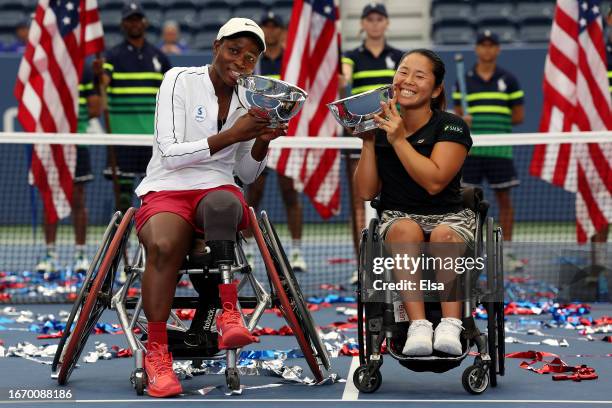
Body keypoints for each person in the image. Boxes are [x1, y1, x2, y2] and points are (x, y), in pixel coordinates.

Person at [133, 18, 285, 397]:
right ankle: (157, 354)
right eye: (234, 51)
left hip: (216, 189)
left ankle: (229, 314)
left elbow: (246, 173)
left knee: (223, 201)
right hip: (166, 186)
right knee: (165, 247)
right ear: (217, 47)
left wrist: (263, 141)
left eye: (250, 58)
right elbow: (169, 152)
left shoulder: (252, 98)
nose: (240, 62)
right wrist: (233, 134)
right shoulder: (178, 78)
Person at [352, 49, 473, 356]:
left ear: (435, 90)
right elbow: (366, 192)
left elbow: (434, 182)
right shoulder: (383, 126)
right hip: (398, 217)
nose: (407, 81)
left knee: (444, 236)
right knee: (405, 230)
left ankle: (450, 324)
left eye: (419, 76)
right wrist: (369, 140)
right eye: (403, 72)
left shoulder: (452, 126)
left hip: (450, 217)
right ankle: (418, 325)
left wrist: (397, 140)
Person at [341, 3, 403, 273]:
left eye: (380, 19)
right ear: (363, 24)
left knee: (397, 202)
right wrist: (341, 80)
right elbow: (344, 79)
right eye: (370, 19)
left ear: (386, 23)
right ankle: (363, 265)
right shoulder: (350, 57)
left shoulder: (400, 57)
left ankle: (395, 263)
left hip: (393, 138)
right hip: (361, 139)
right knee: (359, 204)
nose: (375, 24)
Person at [95, 1, 172, 214]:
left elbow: (171, 94)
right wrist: (100, 75)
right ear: (123, 24)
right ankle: (123, 243)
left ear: (144, 22)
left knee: (154, 196)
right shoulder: (112, 56)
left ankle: (149, 242)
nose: (134, 23)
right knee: (122, 198)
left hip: (153, 140)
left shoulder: (159, 57)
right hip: (122, 139)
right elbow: (104, 82)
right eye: (130, 20)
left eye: (137, 19)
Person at [244, 11, 307, 272]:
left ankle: (296, 251)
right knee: (253, 193)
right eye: (266, 27)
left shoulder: (291, 61)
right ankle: (248, 249)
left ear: (282, 32)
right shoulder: (253, 62)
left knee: (290, 193)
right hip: (259, 133)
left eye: (275, 27)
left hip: (287, 135)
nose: (270, 31)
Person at [453, 31, 524, 242]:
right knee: (467, 202)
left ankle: (508, 248)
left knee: (504, 200)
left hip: (499, 150)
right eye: (483, 45)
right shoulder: (463, 80)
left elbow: (519, 116)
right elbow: (457, 116)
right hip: (471, 150)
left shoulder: (509, 80)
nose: (487, 49)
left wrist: (492, 120)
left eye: (491, 45)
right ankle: (468, 247)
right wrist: (462, 120)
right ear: (476, 49)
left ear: (498, 49)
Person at [35, 62, 101, 274]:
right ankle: (49, 254)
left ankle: (80, 254)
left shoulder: (86, 70)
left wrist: (69, 117)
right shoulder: (49, 65)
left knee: (78, 200)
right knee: (50, 199)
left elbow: (95, 109)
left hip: (77, 142)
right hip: (51, 144)